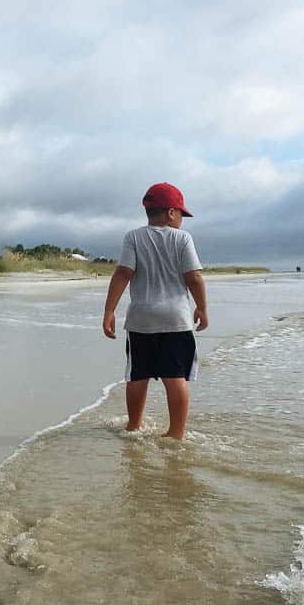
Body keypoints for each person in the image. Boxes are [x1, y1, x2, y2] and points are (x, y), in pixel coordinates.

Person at [102, 182, 208, 440]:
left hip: (141, 319)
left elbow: (123, 273)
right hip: (176, 319)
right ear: (171, 212)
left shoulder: (133, 237)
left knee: (137, 375)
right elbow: (194, 277)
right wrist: (202, 308)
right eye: (181, 213)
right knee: (175, 378)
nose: (182, 219)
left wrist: (109, 311)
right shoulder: (183, 238)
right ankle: (175, 433)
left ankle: (134, 426)